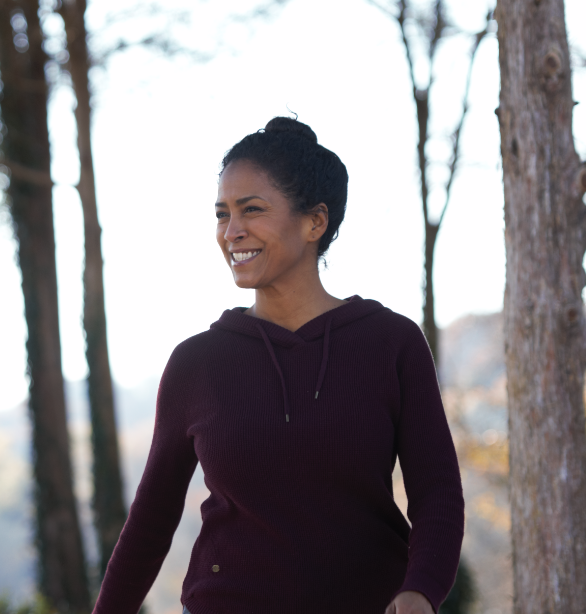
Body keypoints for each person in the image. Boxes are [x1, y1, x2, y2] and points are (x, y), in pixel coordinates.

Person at [92, 118, 464, 614]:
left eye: (253, 210)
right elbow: (150, 521)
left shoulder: (390, 343)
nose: (232, 231)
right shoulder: (196, 363)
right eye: (222, 214)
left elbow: (436, 491)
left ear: (315, 222)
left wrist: (421, 589)